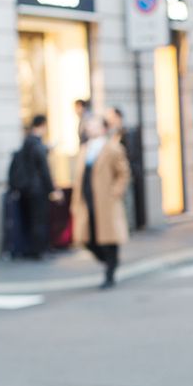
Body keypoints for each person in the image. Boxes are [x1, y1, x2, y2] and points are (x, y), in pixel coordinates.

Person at [71, 114, 130, 289]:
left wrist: (115, 193)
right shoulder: (85, 149)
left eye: (94, 125)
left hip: (106, 201)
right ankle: (110, 262)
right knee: (88, 239)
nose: (90, 128)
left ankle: (110, 272)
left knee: (109, 239)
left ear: (103, 129)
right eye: (89, 125)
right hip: (87, 200)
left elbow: (123, 173)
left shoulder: (113, 148)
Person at [14, 115, 62, 258]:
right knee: (40, 220)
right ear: (42, 125)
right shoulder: (36, 144)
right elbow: (44, 170)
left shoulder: (27, 143)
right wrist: (52, 189)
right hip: (38, 189)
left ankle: (34, 249)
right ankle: (39, 250)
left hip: (27, 188)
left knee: (33, 220)